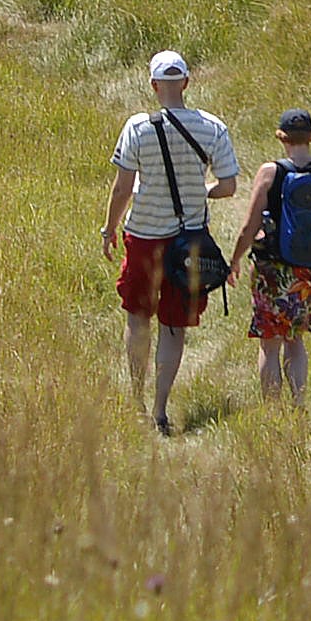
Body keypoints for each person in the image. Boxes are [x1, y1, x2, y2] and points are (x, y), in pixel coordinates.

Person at [98, 47, 237, 432]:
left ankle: (136, 401)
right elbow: (228, 187)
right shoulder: (212, 127)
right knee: (173, 326)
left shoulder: (138, 127)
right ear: (187, 84)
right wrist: (201, 191)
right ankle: (161, 410)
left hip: (143, 236)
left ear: (154, 85)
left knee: (138, 318)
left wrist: (110, 228)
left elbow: (122, 187)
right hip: (188, 242)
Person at [236, 107, 311, 406]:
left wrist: (235, 259)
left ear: (282, 137)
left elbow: (250, 226)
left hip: (274, 271)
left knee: (270, 343)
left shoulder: (271, 172)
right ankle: (299, 404)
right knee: (296, 339)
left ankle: (274, 412)